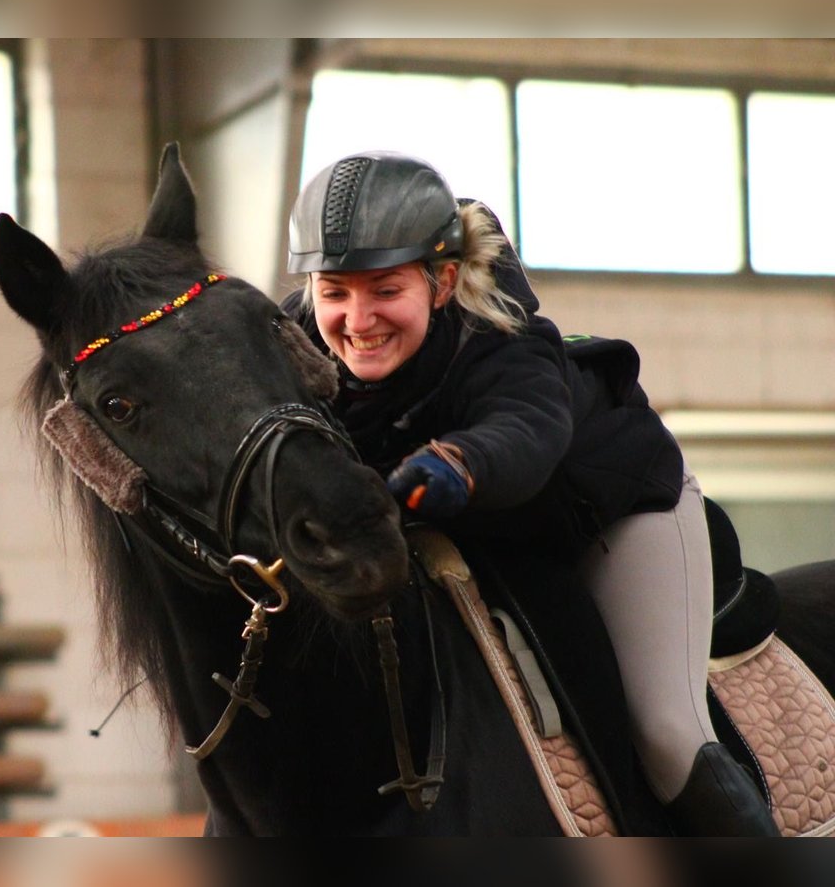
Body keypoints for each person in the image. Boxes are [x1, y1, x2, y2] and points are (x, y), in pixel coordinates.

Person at [281, 150, 778, 836]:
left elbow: (525, 432)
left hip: (608, 516)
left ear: (444, 280)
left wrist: (457, 461)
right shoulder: (293, 346)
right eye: (334, 292)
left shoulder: (502, 343)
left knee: (667, 732)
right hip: (479, 537)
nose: (357, 320)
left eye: (385, 290)